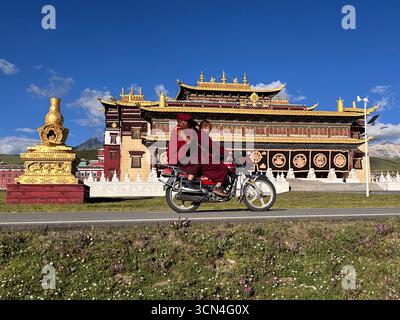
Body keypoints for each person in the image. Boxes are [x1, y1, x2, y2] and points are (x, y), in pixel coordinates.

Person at [167, 113, 200, 191]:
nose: (189, 123)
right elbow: (188, 141)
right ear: (181, 122)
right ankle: (188, 183)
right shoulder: (179, 130)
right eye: (187, 121)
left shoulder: (185, 129)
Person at [198, 120, 228, 197]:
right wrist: (225, 151)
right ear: (204, 127)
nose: (209, 131)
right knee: (223, 167)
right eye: (208, 129)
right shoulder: (203, 136)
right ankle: (217, 187)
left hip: (203, 159)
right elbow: (214, 147)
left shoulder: (200, 136)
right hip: (204, 161)